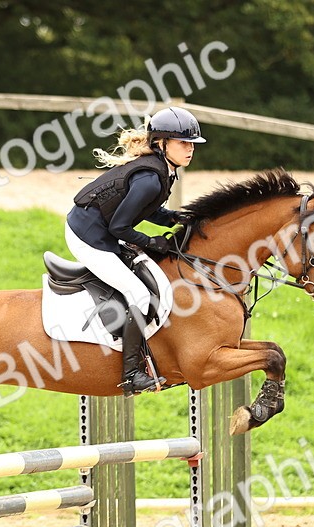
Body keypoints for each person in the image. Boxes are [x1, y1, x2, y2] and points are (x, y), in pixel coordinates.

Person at [66, 106, 205, 395]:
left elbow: (145, 209)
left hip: (102, 229)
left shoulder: (162, 170)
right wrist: (153, 242)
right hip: (88, 236)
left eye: (192, 144)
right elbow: (120, 227)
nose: (189, 150)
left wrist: (171, 218)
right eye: (183, 143)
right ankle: (131, 374)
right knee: (140, 295)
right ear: (161, 143)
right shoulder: (150, 177)